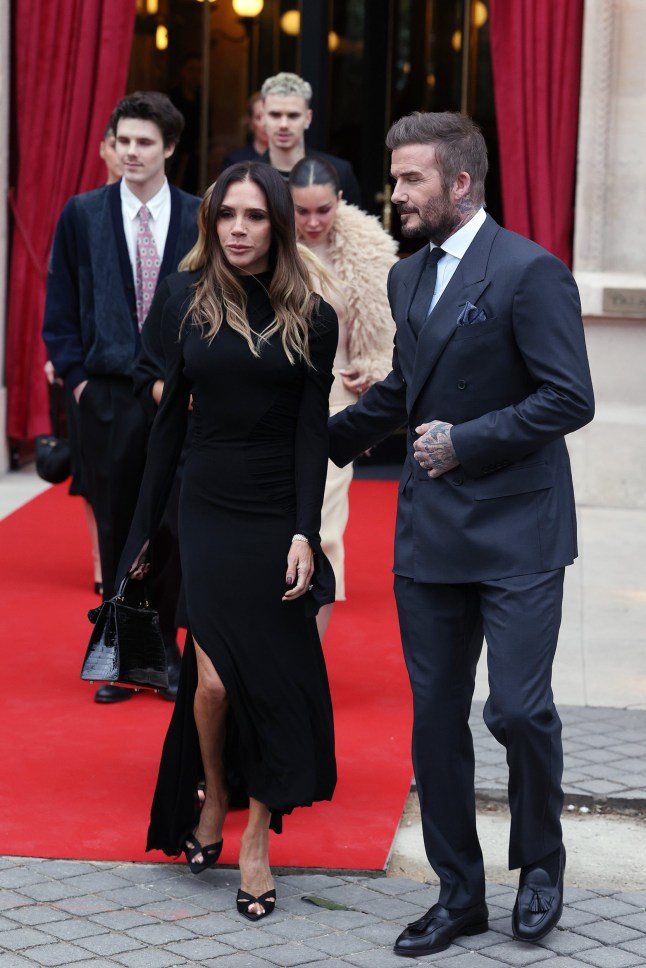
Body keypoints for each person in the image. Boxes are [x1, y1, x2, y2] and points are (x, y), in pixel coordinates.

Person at [328, 111, 595, 956]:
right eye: (396, 177)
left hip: (518, 529)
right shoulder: (406, 278)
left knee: (517, 709)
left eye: (411, 179)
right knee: (437, 717)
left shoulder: (530, 271)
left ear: (461, 183)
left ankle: (541, 863)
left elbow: (570, 397)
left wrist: (465, 441)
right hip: (431, 533)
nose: (396, 193)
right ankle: (458, 895)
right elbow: (408, 388)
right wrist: (312, 437)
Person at [116, 161, 338, 921]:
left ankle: (257, 841)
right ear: (211, 223)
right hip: (206, 505)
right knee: (210, 685)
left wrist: (306, 530)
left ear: (279, 224)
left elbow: (312, 434)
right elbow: (166, 424)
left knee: (266, 682)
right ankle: (212, 796)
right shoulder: (185, 300)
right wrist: (144, 531)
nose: (238, 229)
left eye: (254, 216)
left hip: (275, 510)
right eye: (226, 215)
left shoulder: (311, 314)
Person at [42, 91, 201, 704]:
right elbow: (60, 305)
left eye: (144, 142)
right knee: (115, 525)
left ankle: (167, 648)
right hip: (106, 394)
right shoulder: (82, 214)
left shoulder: (199, 215)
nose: (131, 152)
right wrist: (79, 381)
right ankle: (124, 654)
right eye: (123, 140)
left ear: (169, 148)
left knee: (174, 524)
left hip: (178, 394)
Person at [288, 157, 397, 638]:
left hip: (334, 403)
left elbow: (385, 330)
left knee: (324, 529)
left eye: (323, 210)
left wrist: (373, 370)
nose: (313, 222)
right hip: (271, 403)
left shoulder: (368, 251)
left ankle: (310, 654)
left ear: (339, 201)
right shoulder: (268, 244)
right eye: (302, 211)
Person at [258, 72, 362, 208]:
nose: (284, 124)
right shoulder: (245, 176)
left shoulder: (340, 173)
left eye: (293, 115)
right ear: (263, 117)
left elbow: (355, 221)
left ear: (308, 118)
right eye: (275, 115)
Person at [167, 53, 202, 194]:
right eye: (191, 69)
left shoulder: (203, 100)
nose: (195, 75)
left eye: (199, 70)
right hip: (173, 156)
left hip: (194, 160)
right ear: (183, 71)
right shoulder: (171, 98)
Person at [221, 92, 269, 171]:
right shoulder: (235, 161)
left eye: (271, 116)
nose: (265, 123)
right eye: (259, 117)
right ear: (251, 122)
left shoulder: (287, 161)